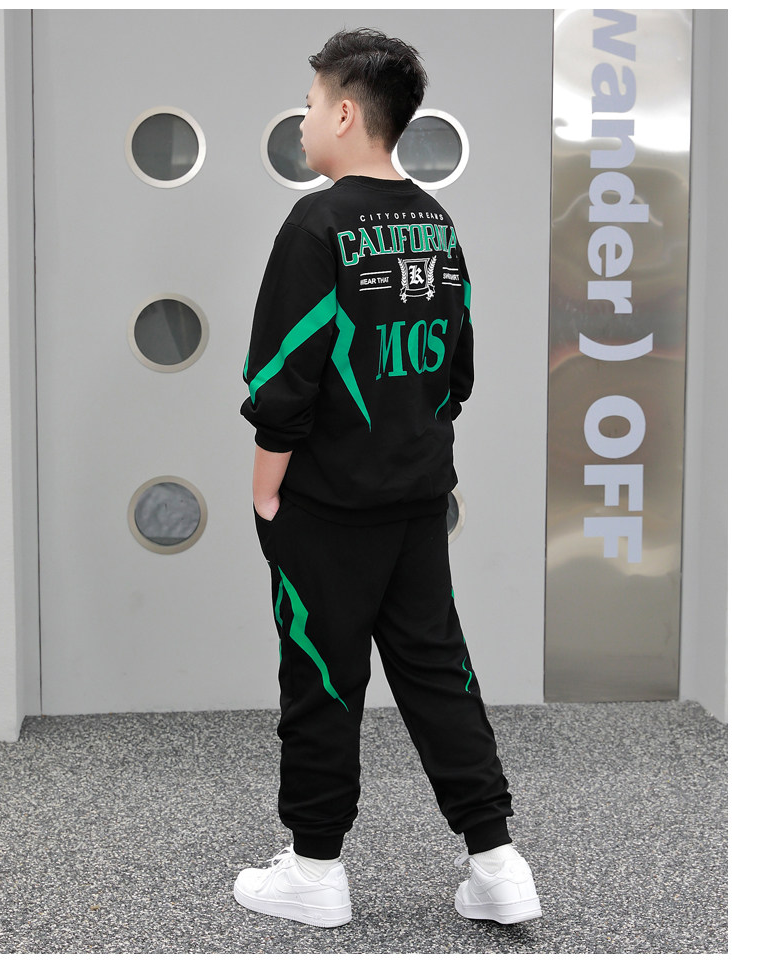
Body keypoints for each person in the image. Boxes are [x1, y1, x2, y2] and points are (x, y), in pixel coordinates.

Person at [235, 27, 541, 929]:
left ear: (342, 112)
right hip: (416, 495)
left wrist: (265, 487)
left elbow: (283, 375)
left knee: (323, 677)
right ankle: (498, 862)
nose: (302, 122)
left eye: (307, 105)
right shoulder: (434, 221)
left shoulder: (316, 224)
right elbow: (458, 366)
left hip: (327, 504)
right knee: (438, 670)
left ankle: (315, 870)